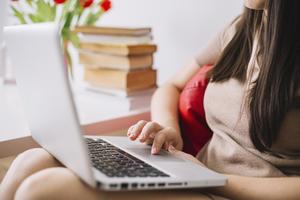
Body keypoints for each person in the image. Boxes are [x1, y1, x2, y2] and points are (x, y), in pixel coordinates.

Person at [1, 0, 300, 199]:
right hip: (195, 173)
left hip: (233, 190)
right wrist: (169, 130)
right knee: (31, 160)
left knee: (43, 190)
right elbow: (171, 85)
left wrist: (215, 179)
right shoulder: (243, 28)